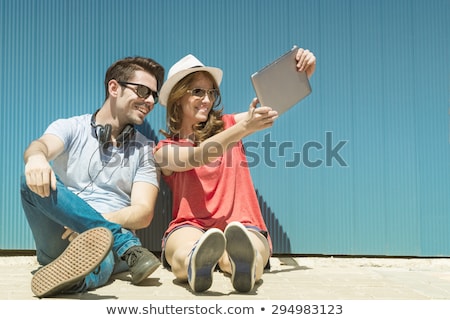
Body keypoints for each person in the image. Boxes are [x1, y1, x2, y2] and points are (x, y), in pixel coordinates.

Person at [154, 48, 316, 293]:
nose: (207, 100)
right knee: (183, 248)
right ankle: (194, 264)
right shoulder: (164, 150)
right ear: (177, 98)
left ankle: (243, 266)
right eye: (198, 91)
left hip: (241, 223)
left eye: (211, 93)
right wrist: (244, 129)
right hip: (191, 225)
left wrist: (302, 72)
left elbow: (272, 104)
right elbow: (197, 156)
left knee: (249, 247)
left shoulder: (230, 125)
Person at [20, 56, 165, 298]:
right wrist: (36, 158)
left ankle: (74, 280)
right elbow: (41, 146)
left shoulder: (145, 150)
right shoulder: (71, 127)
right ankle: (125, 245)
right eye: (142, 90)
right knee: (28, 183)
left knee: (102, 255)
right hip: (62, 236)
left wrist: (91, 226)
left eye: (154, 95)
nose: (150, 100)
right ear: (114, 87)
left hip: (107, 245)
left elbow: (143, 212)